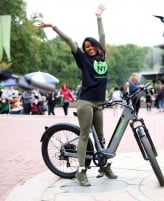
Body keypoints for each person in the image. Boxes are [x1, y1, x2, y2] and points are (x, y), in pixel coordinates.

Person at [38, 3, 117, 186]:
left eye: (91, 46)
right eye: (86, 46)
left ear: (97, 47)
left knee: (101, 136)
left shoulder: (102, 56)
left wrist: (98, 17)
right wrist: (54, 27)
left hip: (99, 102)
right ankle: (81, 172)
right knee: (84, 135)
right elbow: (70, 41)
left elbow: (103, 35)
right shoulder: (83, 59)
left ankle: (104, 166)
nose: (89, 48)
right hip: (86, 102)